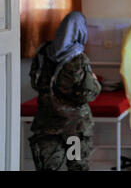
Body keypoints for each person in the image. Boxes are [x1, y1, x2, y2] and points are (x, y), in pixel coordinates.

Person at [28, 11, 101, 171]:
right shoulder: (78, 59)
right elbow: (87, 94)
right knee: (76, 166)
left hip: (46, 125)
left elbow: (35, 83)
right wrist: (95, 81)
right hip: (74, 128)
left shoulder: (43, 52)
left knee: (48, 168)